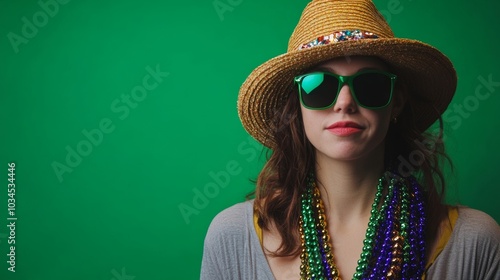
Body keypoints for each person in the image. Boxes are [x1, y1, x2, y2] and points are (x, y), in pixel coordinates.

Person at [200, 0, 500, 279]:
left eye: (370, 84)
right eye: (319, 86)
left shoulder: (475, 240)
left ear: (396, 103)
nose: (345, 102)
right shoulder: (232, 235)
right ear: (297, 107)